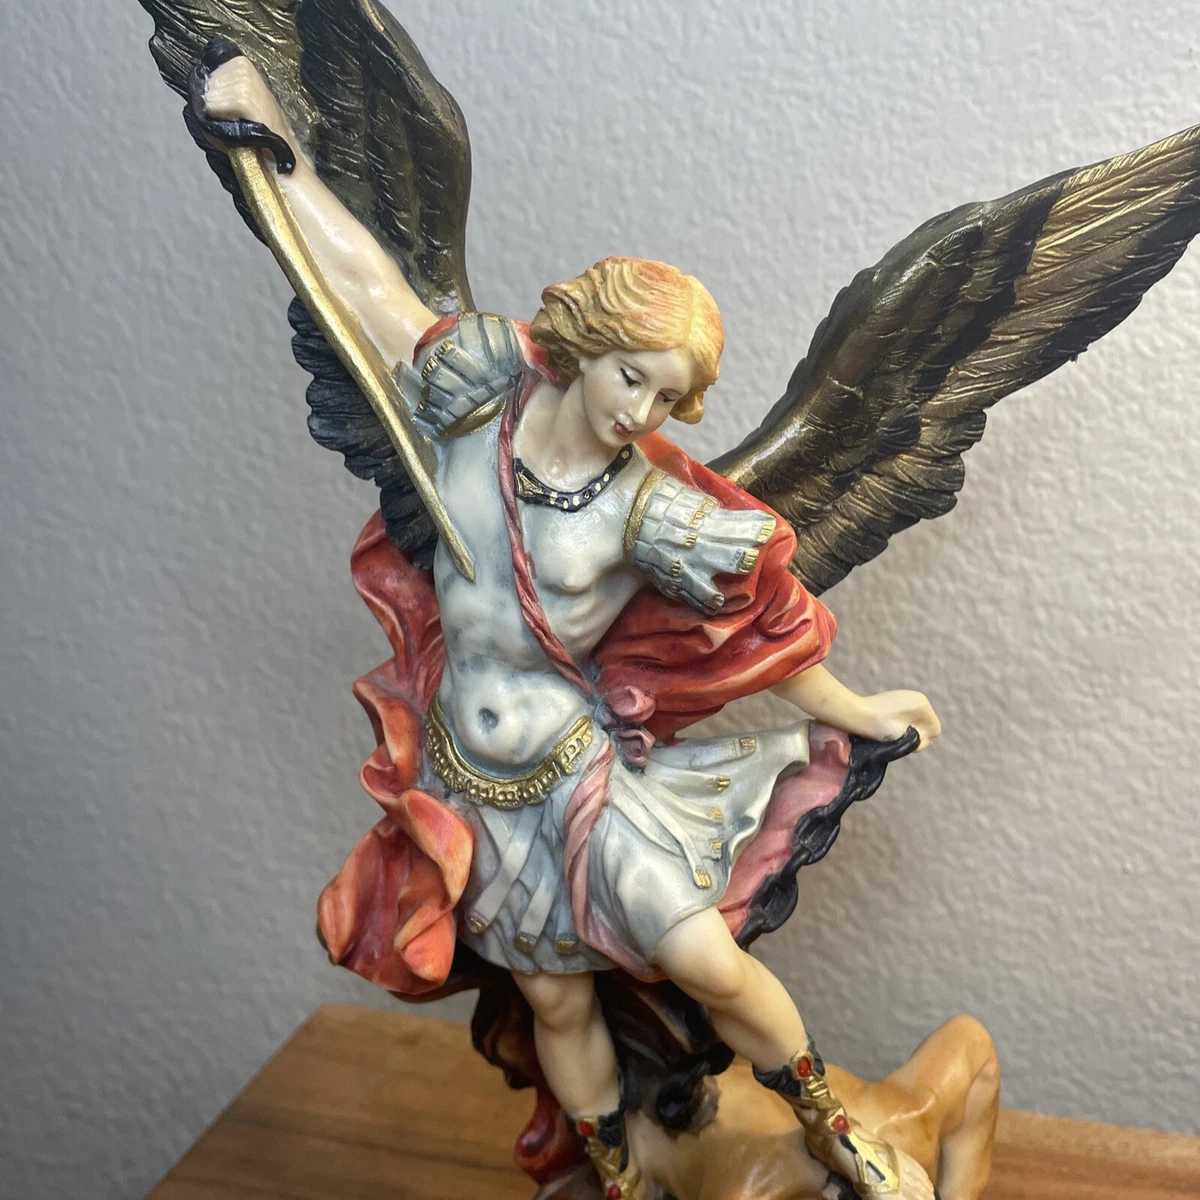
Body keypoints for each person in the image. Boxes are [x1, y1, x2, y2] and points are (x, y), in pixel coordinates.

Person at [203, 56, 942, 1200]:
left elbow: (764, 625)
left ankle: (831, 1126)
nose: (643, 413)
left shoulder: (648, 508)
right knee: (554, 1001)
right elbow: (358, 280)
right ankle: (617, 1179)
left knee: (707, 962)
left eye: (667, 398)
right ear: (586, 345)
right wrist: (272, 146)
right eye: (632, 380)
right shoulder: (467, 412)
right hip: (470, 787)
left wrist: (856, 708)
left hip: (578, 784)